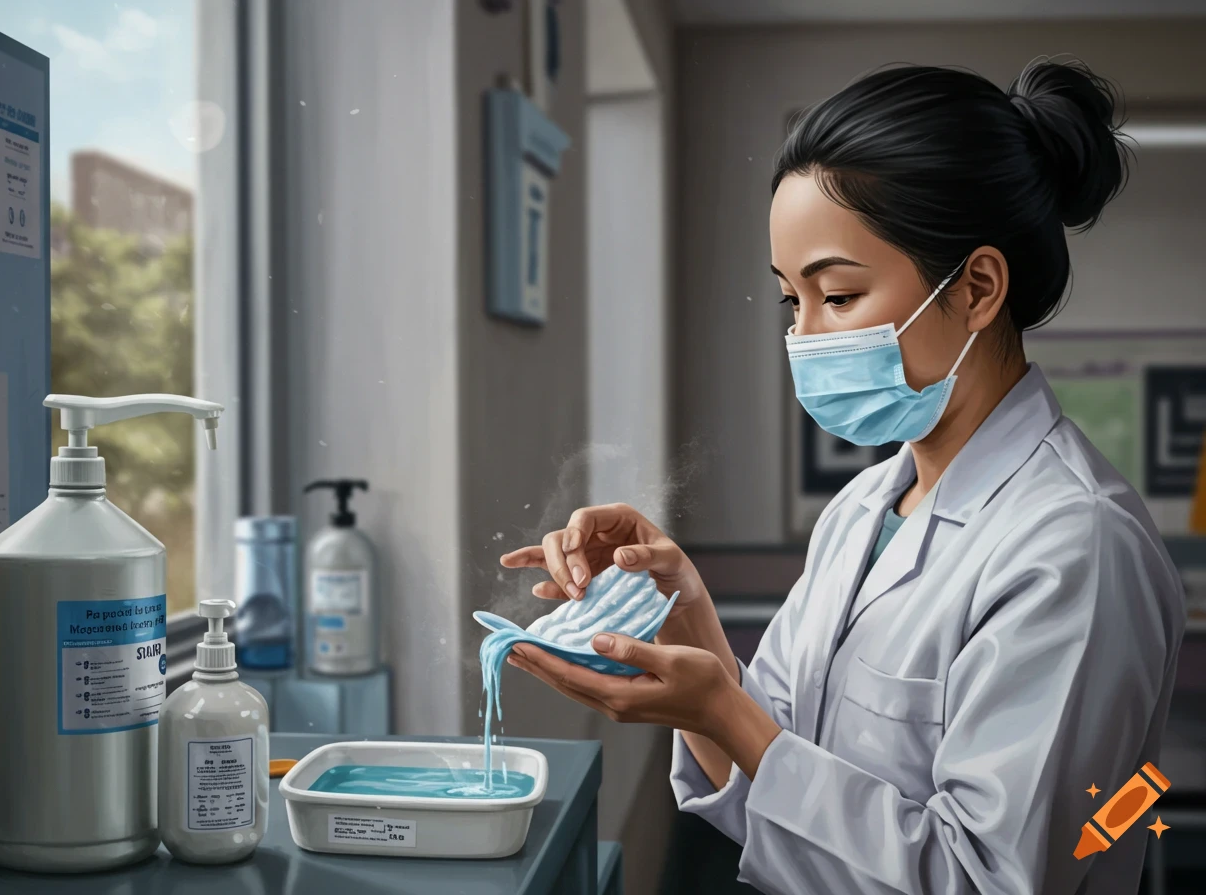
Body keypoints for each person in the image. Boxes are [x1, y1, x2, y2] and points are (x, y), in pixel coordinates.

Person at [499, 59, 1186, 895]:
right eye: (793, 301)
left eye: (840, 295)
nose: (808, 336)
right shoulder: (867, 505)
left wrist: (722, 711)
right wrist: (685, 622)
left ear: (975, 288)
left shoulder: (1078, 547)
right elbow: (773, 788)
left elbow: (993, 881)